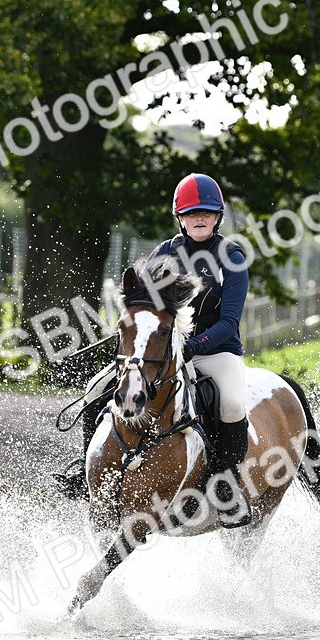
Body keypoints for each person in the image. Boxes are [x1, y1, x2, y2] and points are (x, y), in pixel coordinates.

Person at [53, 173, 253, 528]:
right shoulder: (166, 253)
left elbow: (229, 321)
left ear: (218, 216)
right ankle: (86, 470)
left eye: (206, 213)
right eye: (192, 214)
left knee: (233, 402)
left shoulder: (232, 257)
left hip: (215, 350)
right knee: (98, 388)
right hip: (161, 351)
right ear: (181, 217)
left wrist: (193, 346)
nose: (199, 219)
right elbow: (143, 306)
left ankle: (226, 486)